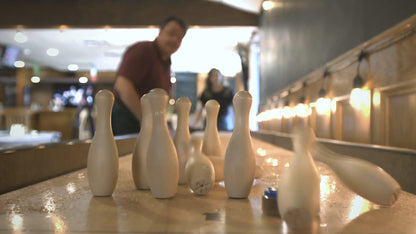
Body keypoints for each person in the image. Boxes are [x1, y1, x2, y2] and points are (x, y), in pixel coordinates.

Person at [111, 16, 188, 135]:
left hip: (146, 122)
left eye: (179, 38)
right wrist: (145, 119)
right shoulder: (144, 50)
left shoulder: (166, 63)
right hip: (127, 118)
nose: (174, 40)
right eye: (171, 33)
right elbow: (122, 85)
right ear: (160, 32)